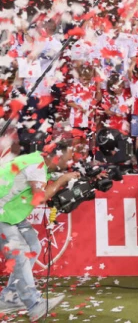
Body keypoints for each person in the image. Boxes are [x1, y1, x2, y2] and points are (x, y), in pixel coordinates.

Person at [0, 131, 81, 320]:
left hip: (10, 214)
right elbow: (40, 198)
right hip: (3, 214)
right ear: (57, 156)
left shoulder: (37, 162)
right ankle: (34, 305)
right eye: (68, 158)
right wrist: (62, 180)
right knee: (20, 254)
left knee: (33, 247)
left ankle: (10, 297)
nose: (69, 162)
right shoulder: (35, 165)